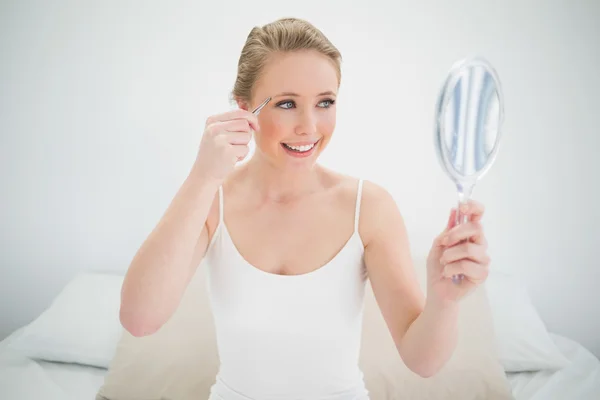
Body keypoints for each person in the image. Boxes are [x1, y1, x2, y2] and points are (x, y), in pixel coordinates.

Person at [119, 17, 491, 400]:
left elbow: (422, 360)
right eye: (286, 104)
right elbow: (139, 319)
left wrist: (444, 301)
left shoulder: (369, 208)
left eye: (325, 102)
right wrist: (201, 177)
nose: (309, 126)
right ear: (245, 109)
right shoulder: (212, 201)